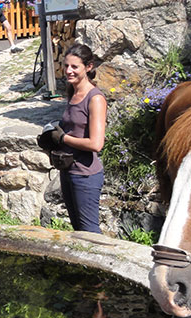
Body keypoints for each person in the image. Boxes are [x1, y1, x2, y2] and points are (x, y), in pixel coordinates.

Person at [46, 44, 106, 233]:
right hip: (68, 170)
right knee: (78, 230)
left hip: (86, 175)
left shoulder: (95, 99)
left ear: (88, 67)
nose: (68, 71)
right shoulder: (73, 93)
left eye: (74, 67)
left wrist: (63, 138)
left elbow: (96, 144)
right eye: (66, 66)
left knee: (90, 232)